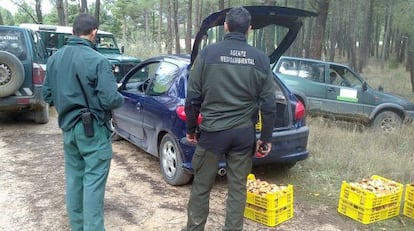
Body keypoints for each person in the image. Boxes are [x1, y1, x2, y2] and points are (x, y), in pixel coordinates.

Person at [184, 7, 277, 231]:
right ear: (250, 29)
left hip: (213, 134)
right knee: (237, 189)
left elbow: (192, 98)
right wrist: (265, 139)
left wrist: (191, 129)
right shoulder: (260, 59)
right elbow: (269, 105)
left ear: (225, 26)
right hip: (243, 135)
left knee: (202, 187)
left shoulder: (208, 54)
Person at [42, 13, 124, 231]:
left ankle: (77, 227)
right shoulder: (98, 60)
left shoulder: (54, 59)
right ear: (94, 32)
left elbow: (47, 95)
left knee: (75, 180)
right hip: (93, 130)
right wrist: (120, 96)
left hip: (68, 128)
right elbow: (110, 99)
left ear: (73, 32)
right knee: (93, 184)